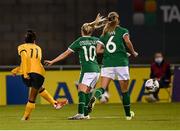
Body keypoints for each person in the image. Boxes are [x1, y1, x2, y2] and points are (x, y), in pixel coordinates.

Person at [44, 14, 104, 120]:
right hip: (96, 70)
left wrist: (53, 61)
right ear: (91, 31)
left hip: (87, 69)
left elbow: (65, 53)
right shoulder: (96, 40)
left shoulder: (79, 41)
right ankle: (86, 114)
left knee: (81, 91)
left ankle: (80, 114)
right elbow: (105, 49)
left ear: (82, 31)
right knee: (87, 92)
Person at [87, 12, 138, 120]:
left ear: (109, 20)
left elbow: (98, 50)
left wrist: (109, 52)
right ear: (118, 19)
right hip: (121, 63)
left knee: (102, 88)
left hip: (107, 64)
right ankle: (128, 115)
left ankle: (94, 98)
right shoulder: (123, 31)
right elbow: (128, 42)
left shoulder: (104, 34)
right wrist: (133, 52)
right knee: (124, 91)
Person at [11, 30, 68, 120]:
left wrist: (23, 72)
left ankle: (26, 117)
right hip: (39, 73)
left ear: (25, 40)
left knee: (33, 95)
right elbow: (33, 61)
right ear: (34, 41)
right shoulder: (38, 48)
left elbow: (25, 59)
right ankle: (55, 104)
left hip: (28, 72)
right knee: (38, 89)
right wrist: (18, 70)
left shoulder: (21, 47)